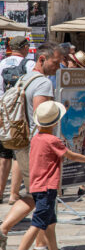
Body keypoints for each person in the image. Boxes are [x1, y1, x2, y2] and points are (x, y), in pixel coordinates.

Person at [8, 101, 85, 250]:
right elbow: (70, 155)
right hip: (47, 188)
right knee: (38, 224)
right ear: (56, 122)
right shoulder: (53, 140)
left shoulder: (36, 139)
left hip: (36, 186)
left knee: (50, 222)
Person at [0, 42, 62, 250]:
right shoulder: (44, 83)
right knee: (40, 196)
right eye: (56, 62)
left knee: (41, 196)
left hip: (22, 143)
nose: (58, 66)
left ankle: (47, 248)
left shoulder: (24, 79)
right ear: (42, 60)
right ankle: (6, 229)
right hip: (37, 146)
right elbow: (41, 116)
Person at [0, 36, 36, 204]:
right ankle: (14, 194)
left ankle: (0, 192)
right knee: (18, 153)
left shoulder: (2, 64)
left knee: (4, 153)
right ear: (25, 47)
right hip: (21, 115)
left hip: (4, 112)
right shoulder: (28, 64)